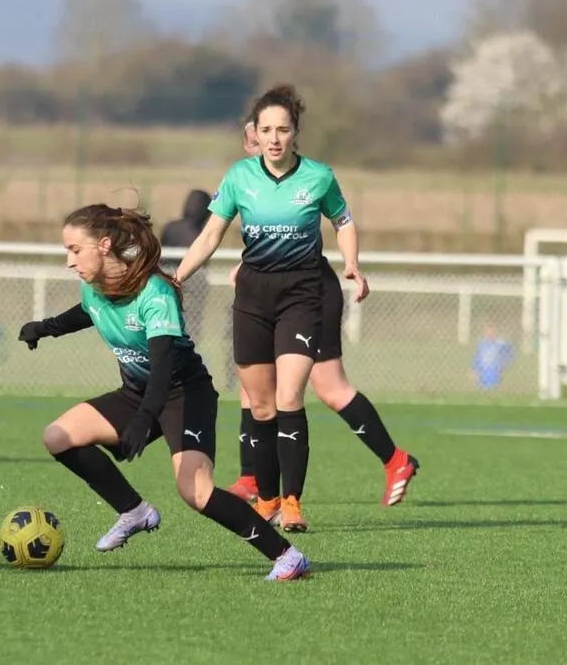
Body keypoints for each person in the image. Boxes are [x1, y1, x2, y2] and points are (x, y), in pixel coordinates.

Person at [17, 203, 310, 581]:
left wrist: (144, 419)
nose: (69, 261)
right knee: (58, 436)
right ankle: (134, 511)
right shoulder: (94, 288)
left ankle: (287, 556)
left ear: (104, 245)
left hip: (184, 394)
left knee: (196, 493)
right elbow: (86, 312)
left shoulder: (155, 293)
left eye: (75, 250)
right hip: (137, 392)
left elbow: (163, 367)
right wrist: (44, 328)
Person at [174, 85, 419, 534]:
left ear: (295, 132)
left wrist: (352, 263)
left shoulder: (318, 177)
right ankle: (265, 497)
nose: (274, 138)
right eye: (266, 130)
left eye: (282, 130)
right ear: (256, 133)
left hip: (303, 295)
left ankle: (291, 502)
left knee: (290, 398)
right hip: (253, 298)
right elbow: (210, 235)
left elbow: (343, 221)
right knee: (259, 404)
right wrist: (178, 278)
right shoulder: (239, 177)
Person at [161, 189, 212, 340]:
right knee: (190, 326)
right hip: (186, 281)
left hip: (168, 280)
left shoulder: (171, 227)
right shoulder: (202, 235)